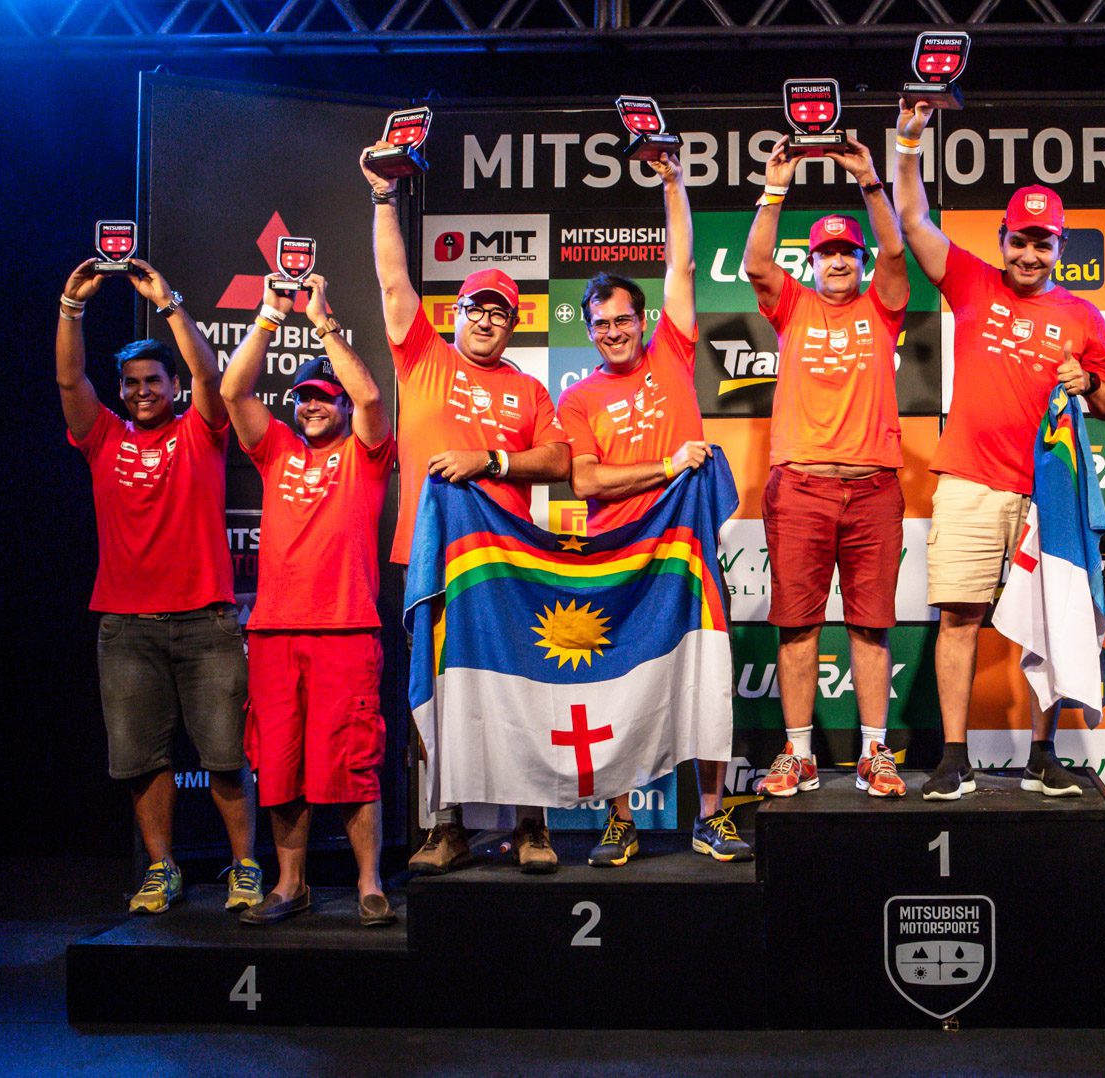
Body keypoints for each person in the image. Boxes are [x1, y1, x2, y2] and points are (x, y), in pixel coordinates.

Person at [893, 99, 1105, 801]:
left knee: (1047, 623)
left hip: (1046, 492)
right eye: (1019, 241)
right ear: (1001, 240)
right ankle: (953, 757)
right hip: (969, 479)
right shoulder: (972, 281)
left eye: (1042, 243)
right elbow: (913, 220)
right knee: (959, 616)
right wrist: (909, 143)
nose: (1029, 254)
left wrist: (1088, 382)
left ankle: (1042, 755)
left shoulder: (1082, 316)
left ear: (1060, 247)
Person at [361, 141, 573, 875]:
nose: (487, 320)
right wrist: (383, 197)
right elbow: (393, 280)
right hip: (429, 560)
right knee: (433, 696)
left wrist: (492, 461)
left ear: (514, 325)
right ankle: (444, 827)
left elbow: (560, 460)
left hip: (508, 563)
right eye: (477, 307)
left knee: (524, 690)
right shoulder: (424, 357)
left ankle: (532, 826)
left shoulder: (530, 390)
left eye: (501, 312)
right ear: (455, 313)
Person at [553, 151, 751, 866]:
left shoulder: (672, 352)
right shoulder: (577, 399)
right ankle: (619, 820)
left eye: (622, 320)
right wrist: (667, 467)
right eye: (599, 324)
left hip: (687, 551)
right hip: (614, 557)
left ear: (643, 321)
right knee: (614, 687)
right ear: (588, 330)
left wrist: (673, 183)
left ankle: (711, 816)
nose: (612, 332)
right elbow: (586, 482)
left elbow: (682, 266)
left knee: (707, 678)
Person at [57, 257, 260, 914]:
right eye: (132, 382)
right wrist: (71, 307)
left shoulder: (201, 430)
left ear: (173, 386)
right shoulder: (102, 436)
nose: (142, 391)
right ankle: (162, 868)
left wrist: (169, 302)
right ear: (121, 390)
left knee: (225, 756)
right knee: (142, 759)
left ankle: (245, 866)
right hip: (125, 627)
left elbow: (210, 376)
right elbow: (69, 378)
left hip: (206, 622)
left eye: (154, 380)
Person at [220, 273, 397, 926]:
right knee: (279, 765)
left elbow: (371, 395)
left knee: (353, 763)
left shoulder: (366, 455)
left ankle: (369, 883)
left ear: (341, 405)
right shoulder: (276, 450)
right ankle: (290, 884)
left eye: (324, 398)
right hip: (273, 632)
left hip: (346, 630)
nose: (313, 406)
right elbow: (233, 391)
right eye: (304, 398)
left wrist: (322, 323)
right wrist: (270, 316)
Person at [743, 137, 910, 801]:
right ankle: (800, 753)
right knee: (798, 624)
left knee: (871, 624)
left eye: (847, 252)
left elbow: (896, 252)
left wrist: (870, 180)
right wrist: (775, 187)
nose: (838, 261)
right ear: (810, 262)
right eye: (826, 253)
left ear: (859, 261)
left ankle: (874, 752)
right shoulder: (792, 306)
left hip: (873, 488)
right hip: (800, 487)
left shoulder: (882, 306)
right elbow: (757, 262)